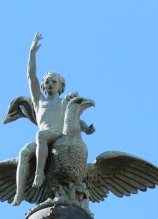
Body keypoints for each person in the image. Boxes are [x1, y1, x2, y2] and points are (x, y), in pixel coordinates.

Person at [13, 32, 95, 205]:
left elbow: (74, 119)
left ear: (60, 86)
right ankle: (20, 193)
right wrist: (32, 53)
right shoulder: (39, 101)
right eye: (47, 83)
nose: (49, 85)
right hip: (44, 136)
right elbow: (31, 76)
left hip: (59, 134)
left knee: (41, 136)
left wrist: (86, 128)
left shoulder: (64, 103)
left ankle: (39, 173)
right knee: (23, 152)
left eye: (53, 82)